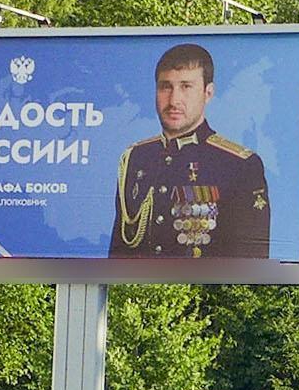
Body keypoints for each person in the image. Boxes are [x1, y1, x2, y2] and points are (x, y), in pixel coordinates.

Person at [110, 41, 273, 259]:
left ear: (208, 92)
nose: (174, 99)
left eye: (186, 86)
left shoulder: (239, 165)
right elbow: (117, 255)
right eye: (165, 86)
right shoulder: (136, 158)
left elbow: (249, 265)